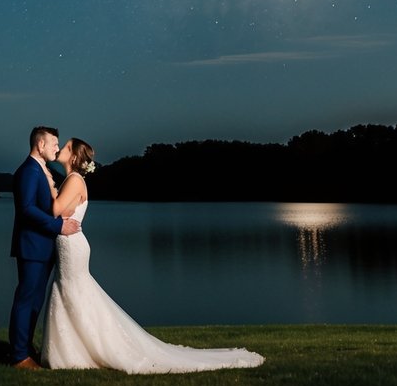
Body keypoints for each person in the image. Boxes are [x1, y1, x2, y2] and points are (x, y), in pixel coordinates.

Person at [41, 137, 264, 373]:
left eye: (65, 147)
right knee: (71, 291)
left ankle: (87, 350)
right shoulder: (72, 180)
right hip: (69, 243)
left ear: (74, 157)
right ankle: (72, 351)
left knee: (75, 291)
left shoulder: (74, 181)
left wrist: (47, 183)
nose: (61, 149)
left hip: (72, 245)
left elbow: (55, 210)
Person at [9, 125, 81, 369]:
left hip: (44, 248)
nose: (56, 148)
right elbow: (26, 209)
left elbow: (48, 205)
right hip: (31, 246)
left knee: (36, 302)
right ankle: (19, 357)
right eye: (53, 144)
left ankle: (26, 348)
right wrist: (58, 226)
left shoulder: (44, 171)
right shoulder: (29, 171)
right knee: (25, 299)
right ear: (40, 145)